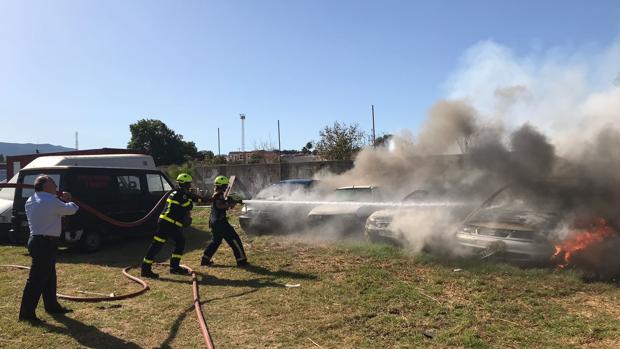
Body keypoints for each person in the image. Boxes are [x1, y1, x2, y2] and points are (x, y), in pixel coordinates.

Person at [19, 175, 79, 325]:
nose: (56, 186)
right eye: (53, 183)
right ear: (45, 186)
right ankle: (27, 314)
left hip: (38, 241)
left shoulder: (31, 199)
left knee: (49, 276)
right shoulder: (50, 200)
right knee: (36, 279)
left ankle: (52, 306)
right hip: (45, 243)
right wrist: (68, 199)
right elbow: (72, 210)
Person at [141, 173, 197, 278]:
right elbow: (188, 206)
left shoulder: (177, 192)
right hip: (168, 223)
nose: (190, 186)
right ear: (185, 184)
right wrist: (191, 198)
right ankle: (146, 269)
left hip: (169, 223)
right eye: (189, 184)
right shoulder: (180, 194)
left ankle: (174, 267)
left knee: (179, 242)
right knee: (157, 245)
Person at [201, 175, 248, 267]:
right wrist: (230, 203)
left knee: (216, 241)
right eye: (225, 186)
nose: (226, 187)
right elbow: (220, 206)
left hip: (216, 222)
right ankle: (241, 261)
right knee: (234, 239)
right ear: (221, 186)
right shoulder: (218, 195)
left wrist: (232, 203)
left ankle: (205, 260)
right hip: (220, 223)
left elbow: (224, 206)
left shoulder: (219, 194)